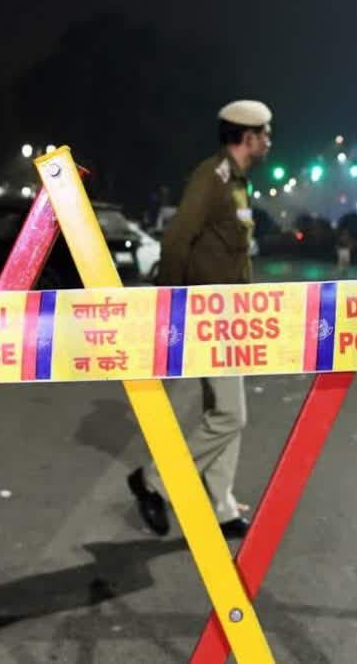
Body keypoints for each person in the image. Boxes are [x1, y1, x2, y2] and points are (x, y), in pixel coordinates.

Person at [127, 100, 272, 539]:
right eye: (265, 133)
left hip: (232, 316)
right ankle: (154, 482)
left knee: (226, 410)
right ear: (247, 138)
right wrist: (169, 305)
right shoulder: (212, 177)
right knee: (231, 415)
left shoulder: (238, 182)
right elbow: (176, 241)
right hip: (206, 314)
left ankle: (222, 506)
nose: (269, 141)